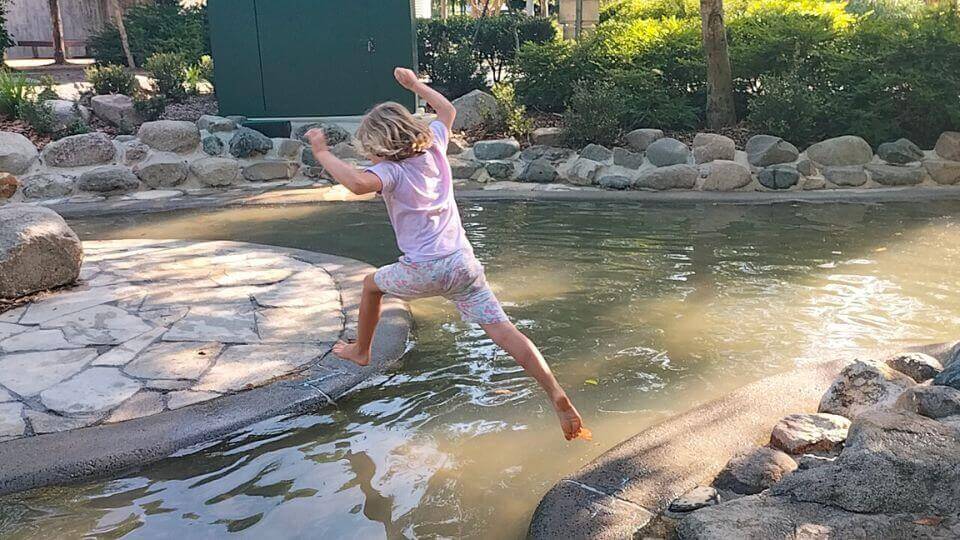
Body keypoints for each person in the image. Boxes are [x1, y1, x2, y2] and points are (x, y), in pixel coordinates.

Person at [304, 67, 585, 441]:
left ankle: (361, 351)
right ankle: (555, 392)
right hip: (463, 264)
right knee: (504, 330)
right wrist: (415, 85)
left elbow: (356, 183)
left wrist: (322, 152)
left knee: (371, 285)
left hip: (424, 269)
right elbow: (448, 111)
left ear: (378, 144)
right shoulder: (435, 145)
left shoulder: (389, 171)